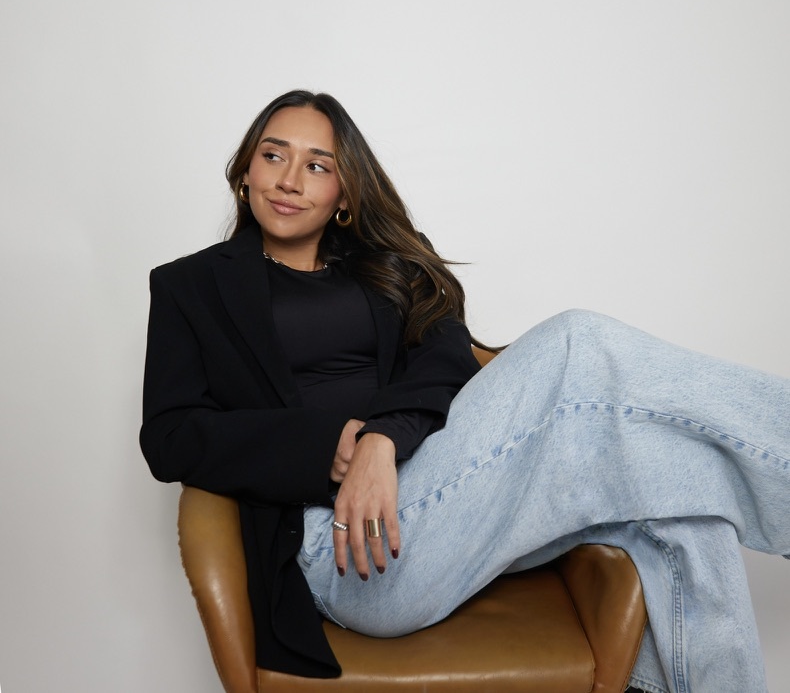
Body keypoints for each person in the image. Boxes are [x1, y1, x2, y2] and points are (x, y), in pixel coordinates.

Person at [140, 89, 790, 693]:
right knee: (578, 341)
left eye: (317, 164)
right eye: (274, 154)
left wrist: (381, 438)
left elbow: (448, 352)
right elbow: (169, 437)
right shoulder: (190, 286)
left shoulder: (383, 263)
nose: (288, 178)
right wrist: (322, 447)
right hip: (347, 544)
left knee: (680, 501)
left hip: (443, 495)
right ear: (245, 170)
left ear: (342, 191)